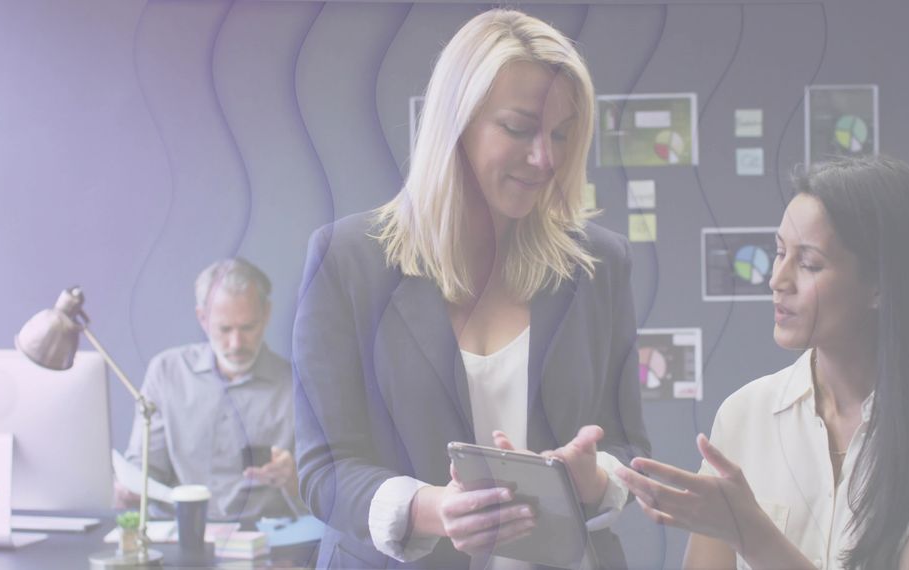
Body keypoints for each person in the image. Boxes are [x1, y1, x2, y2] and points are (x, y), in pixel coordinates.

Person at [293, 8, 650, 569]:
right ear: (454, 122)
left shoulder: (599, 264)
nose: (546, 158)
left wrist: (594, 476)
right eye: (519, 128)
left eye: (561, 133)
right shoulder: (346, 260)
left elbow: (629, 444)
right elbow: (324, 469)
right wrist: (432, 508)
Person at [617, 156, 909, 569]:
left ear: (880, 285)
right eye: (779, 253)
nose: (777, 280)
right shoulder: (746, 415)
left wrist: (753, 535)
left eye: (809, 263)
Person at [117, 258, 303, 520]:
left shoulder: (296, 386)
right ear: (202, 319)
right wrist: (130, 489)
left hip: (266, 542)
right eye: (224, 329)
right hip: (180, 533)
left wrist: (293, 480)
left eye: (248, 327)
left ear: (266, 314)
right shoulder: (167, 372)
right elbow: (146, 471)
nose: (236, 343)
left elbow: (325, 499)